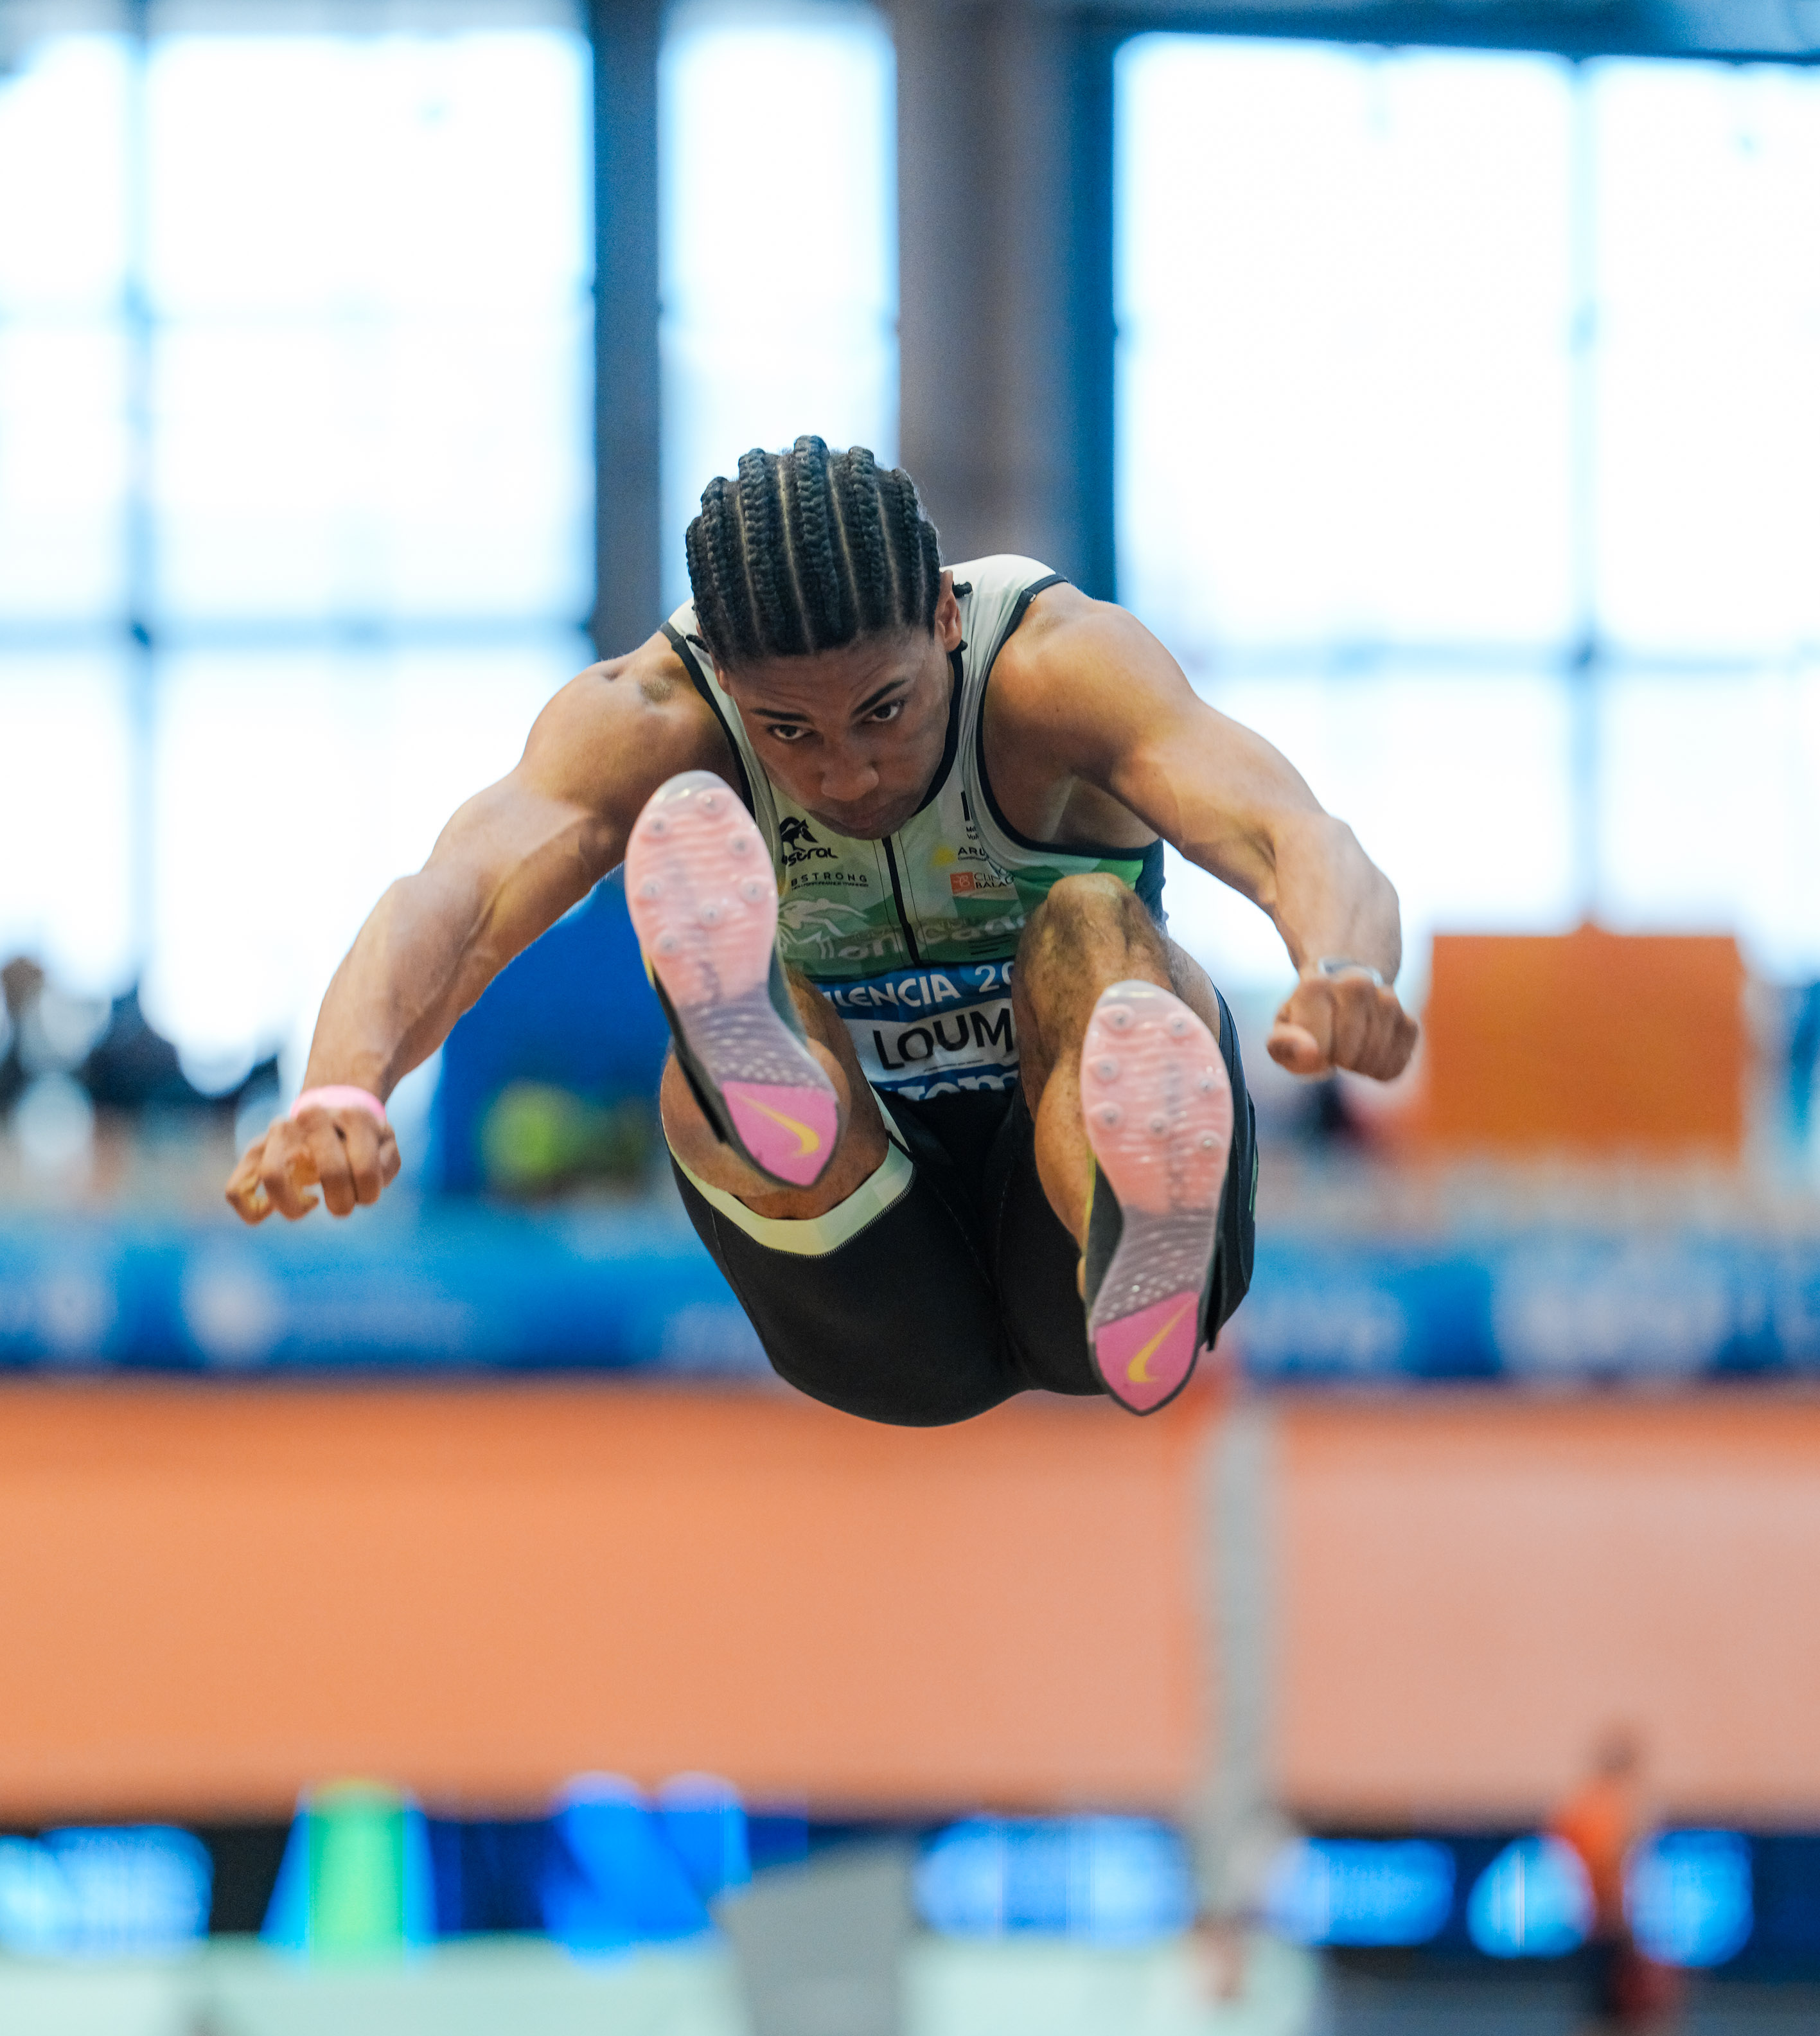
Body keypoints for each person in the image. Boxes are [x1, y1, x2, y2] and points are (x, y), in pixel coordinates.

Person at [227, 436, 1417, 1425]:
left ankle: (1131, 1218)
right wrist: (341, 1086)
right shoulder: (650, 719)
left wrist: (1342, 963)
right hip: (865, 1264)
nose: (846, 772)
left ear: (945, 617)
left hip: (1062, 1215)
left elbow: (1286, 830)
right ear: (725, 679)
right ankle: (762, 1071)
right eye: (787, 731)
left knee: (1093, 923)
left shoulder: (1056, 668)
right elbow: (460, 895)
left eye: (883, 710)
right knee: (712, 1045)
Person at [1539, 1728, 1693, 2036]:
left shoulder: (1588, 1807)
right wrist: (1636, 1944)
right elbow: (1611, 1873)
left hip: (1608, 1939)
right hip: (1616, 1941)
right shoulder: (1607, 1809)